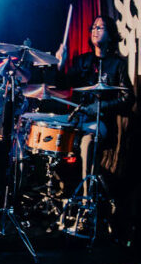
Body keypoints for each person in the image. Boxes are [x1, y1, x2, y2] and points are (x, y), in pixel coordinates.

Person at [56, 15, 135, 190]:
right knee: (53, 131)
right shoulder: (83, 62)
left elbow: (128, 98)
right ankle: (58, 190)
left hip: (102, 122)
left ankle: (87, 200)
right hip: (78, 119)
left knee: (87, 142)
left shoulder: (117, 65)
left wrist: (100, 107)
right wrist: (60, 65)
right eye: (93, 27)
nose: (95, 30)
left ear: (110, 34)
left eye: (100, 27)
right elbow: (64, 86)